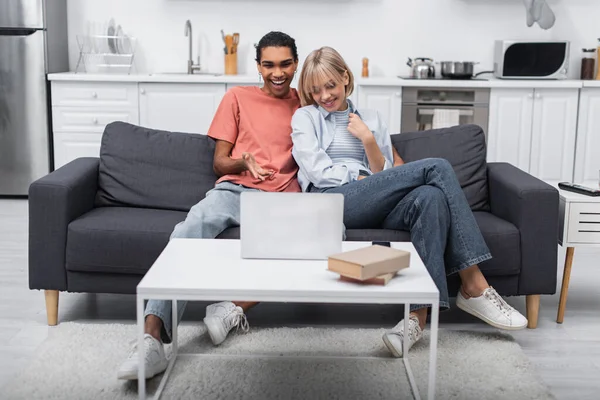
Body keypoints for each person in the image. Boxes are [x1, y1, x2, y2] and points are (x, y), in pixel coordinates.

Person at [290, 46, 528, 358]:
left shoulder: (372, 118)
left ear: (345, 77)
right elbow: (317, 172)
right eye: (316, 90)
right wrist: (360, 179)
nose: (324, 96)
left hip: (375, 201)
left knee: (430, 198)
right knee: (437, 167)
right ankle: (474, 284)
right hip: (333, 203)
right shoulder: (304, 117)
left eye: (330, 85)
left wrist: (369, 140)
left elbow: (385, 173)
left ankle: (416, 318)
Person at [117, 31, 301, 380]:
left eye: (285, 64)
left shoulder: (305, 103)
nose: (277, 73)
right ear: (258, 65)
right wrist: (244, 162)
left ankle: (232, 307)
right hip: (235, 190)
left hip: (283, 199)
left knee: (313, 239)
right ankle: (151, 339)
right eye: (269, 65)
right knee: (188, 230)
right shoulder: (237, 98)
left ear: (296, 63)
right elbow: (219, 162)